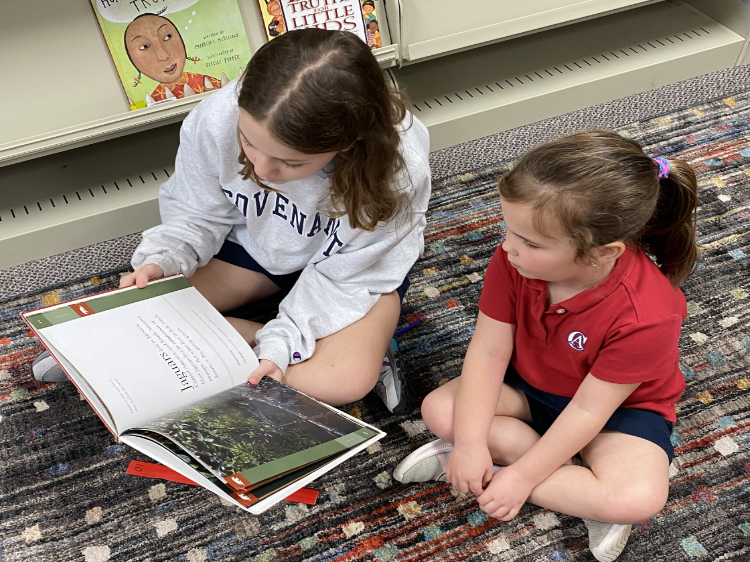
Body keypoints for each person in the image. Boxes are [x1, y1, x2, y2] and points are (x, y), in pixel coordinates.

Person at [32, 29, 431, 414]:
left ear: (347, 143)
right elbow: (197, 211)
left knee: (344, 382)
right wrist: (167, 258)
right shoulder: (217, 116)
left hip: (351, 273)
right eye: (248, 141)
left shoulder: (399, 170)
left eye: (292, 162)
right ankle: (287, 342)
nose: (262, 168)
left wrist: (284, 340)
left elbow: (347, 278)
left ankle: (286, 345)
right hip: (257, 246)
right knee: (131, 309)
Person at [393, 131, 698, 561]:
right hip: (530, 387)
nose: (507, 247)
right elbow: (488, 351)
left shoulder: (650, 312)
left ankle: (512, 471)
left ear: (601, 253)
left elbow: (591, 410)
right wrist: (472, 444)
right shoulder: (513, 261)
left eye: (530, 243)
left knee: (637, 499)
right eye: (509, 231)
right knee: (439, 410)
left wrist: (518, 478)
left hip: (616, 411)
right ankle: (570, 486)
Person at [123, 14, 223, 103]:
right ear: (133, 60)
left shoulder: (208, 82)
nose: (163, 55)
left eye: (168, 36)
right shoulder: (153, 101)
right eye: (144, 46)